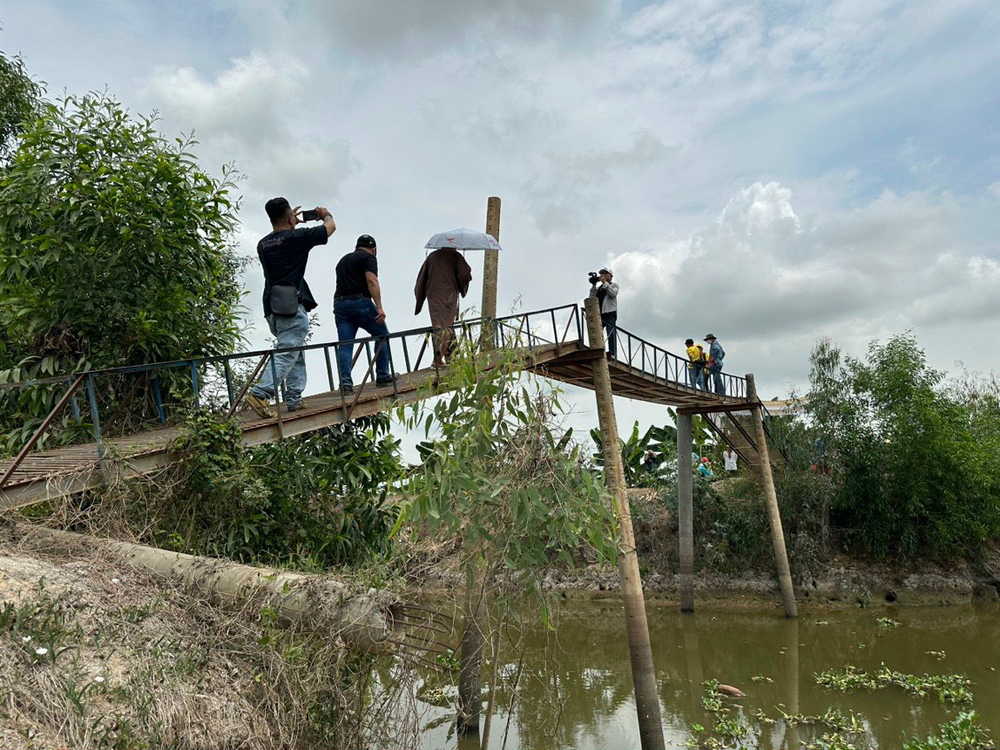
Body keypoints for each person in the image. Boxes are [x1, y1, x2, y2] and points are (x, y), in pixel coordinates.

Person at [246, 198, 335, 418]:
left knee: (294, 349)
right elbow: (330, 228)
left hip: (271, 306)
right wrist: (324, 213)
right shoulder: (297, 238)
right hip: (291, 305)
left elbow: (280, 238)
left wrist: (290, 223)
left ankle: (294, 397)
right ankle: (260, 393)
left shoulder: (263, 244)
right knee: (288, 350)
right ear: (289, 217)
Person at [334, 234, 397, 392]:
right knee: (382, 336)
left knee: (345, 344)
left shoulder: (343, 260)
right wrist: (379, 306)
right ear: (374, 249)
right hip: (360, 302)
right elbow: (371, 280)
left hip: (340, 304)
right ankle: (382, 376)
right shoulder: (368, 258)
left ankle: (345, 384)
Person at [414, 245, 473, 366]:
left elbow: (421, 279)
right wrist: (463, 283)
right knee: (444, 327)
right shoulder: (455, 256)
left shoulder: (432, 256)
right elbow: (464, 274)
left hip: (433, 296)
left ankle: (451, 356)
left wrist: (420, 299)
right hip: (448, 296)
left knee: (443, 325)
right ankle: (438, 360)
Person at [589, 268, 619, 357]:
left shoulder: (614, 285)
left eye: (605, 274)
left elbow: (613, 294)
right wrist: (594, 285)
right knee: (597, 334)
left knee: (611, 333)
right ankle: (597, 350)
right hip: (599, 314)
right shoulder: (599, 288)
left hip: (610, 313)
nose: (603, 276)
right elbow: (591, 298)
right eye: (602, 274)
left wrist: (604, 283)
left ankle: (612, 353)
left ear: (611, 276)